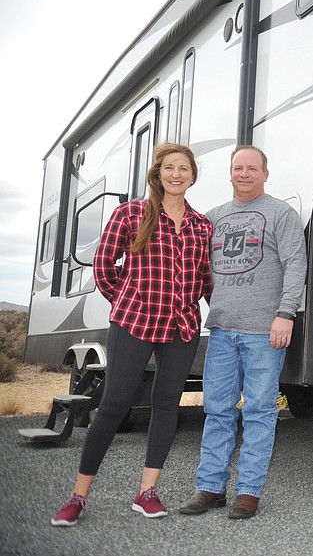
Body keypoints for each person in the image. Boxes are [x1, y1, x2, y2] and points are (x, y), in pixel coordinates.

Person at [51, 143, 212, 527]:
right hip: (134, 324)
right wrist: (128, 300)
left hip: (182, 327)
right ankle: (78, 495)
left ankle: (147, 492)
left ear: (192, 176)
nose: (176, 174)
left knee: (166, 404)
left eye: (184, 169)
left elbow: (206, 278)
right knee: (113, 404)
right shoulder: (129, 214)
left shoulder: (202, 225)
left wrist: (222, 312)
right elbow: (104, 266)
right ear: (157, 174)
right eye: (169, 167)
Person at [179, 144, 307, 520]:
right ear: (230, 173)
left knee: (259, 412)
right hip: (221, 331)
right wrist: (210, 302)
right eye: (238, 168)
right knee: (216, 410)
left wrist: (286, 314)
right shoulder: (213, 217)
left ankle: (248, 492)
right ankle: (211, 488)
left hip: (264, 333)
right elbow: (199, 268)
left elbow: (296, 264)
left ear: (265, 174)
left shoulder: (281, 214)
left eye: (253, 168)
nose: (245, 174)